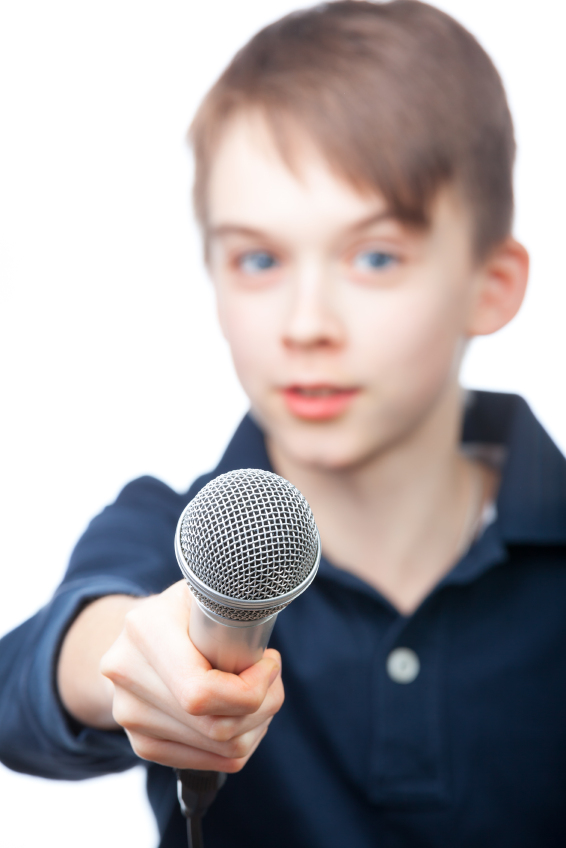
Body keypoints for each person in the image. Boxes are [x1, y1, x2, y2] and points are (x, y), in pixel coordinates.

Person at [1, 1, 565, 846]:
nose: (306, 323)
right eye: (258, 260)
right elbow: (34, 678)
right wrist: (126, 662)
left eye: (375, 257)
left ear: (491, 283)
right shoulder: (168, 531)